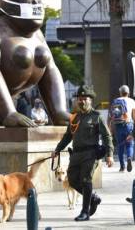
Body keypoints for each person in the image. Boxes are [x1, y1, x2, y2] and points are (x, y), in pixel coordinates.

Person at [51, 85, 114, 221]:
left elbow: (107, 136)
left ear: (90, 100)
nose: (82, 101)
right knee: (72, 180)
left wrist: (109, 154)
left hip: (90, 154)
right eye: (79, 99)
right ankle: (93, 198)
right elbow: (68, 136)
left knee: (86, 180)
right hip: (76, 154)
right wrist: (57, 149)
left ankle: (85, 212)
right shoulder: (74, 118)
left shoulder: (96, 117)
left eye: (84, 99)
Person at [109, 85, 135, 172]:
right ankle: (129, 157)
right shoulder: (132, 101)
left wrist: (110, 127)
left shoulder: (115, 101)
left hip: (118, 126)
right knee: (129, 144)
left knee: (120, 146)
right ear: (128, 93)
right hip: (128, 125)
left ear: (120, 92)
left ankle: (122, 167)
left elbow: (111, 116)